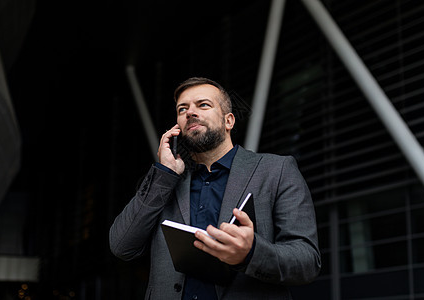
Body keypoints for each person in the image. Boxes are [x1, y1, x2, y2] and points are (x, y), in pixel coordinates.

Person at [109, 77, 321, 299]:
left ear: (229, 121)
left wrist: (250, 253)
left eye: (203, 105)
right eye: (183, 109)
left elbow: (307, 261)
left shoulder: (276, 170)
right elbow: (122, 246)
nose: (190, 112)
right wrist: (164, 174)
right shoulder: (167, 181)